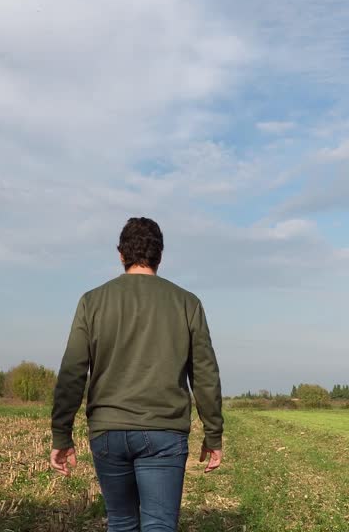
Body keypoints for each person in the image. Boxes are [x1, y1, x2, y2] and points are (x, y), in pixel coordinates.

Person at [50, 216, 224, 532]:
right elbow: (205, 374)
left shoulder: (92, 302)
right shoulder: (187, 303)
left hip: (108, 432)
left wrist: (61, 433)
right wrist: (213, 433)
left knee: (121, 522)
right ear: (160, 254)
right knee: (159, 525)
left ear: (121, 254)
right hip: (164, 431)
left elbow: (73, 371)